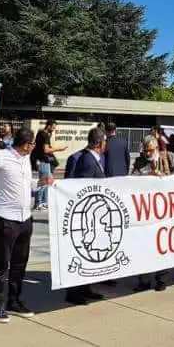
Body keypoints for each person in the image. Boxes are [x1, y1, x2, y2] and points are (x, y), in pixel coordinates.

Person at [0, 129, 51, 323]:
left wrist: (40, 182)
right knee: (1, 265)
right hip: (6, 218)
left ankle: (13, 300)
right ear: (27, 144)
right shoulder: (1, 157)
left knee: (19, 263)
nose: (34, 148)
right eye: (33, 144)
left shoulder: (25, 158)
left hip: (25, 218)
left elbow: (25, 183)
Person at [64, 128, 109, 305]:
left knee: (88, 255)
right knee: (81, 252)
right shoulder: (87, 160)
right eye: (105, 142)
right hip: (87, 214)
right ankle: (73, 292)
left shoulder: (97, 158)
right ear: (100, 143)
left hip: (94, 213)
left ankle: (85, 288)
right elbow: (84, 188)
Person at [130, 136, 174, 291]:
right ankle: (144, 281)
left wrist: (165, 178)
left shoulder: (169, 157)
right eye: (145, 150)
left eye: (150, 150)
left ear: (156, 148)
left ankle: (162, 279)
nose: (147, 153)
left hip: (166, 208)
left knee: (164, 244)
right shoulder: (140, 161)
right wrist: (147, 176)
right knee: (145, 246)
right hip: (147, 210)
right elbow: (132, 179)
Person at [32, 120, 66, 209]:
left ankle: (44, 202)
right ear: (49, 126)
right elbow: (46, 150)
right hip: (43, 160)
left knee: (48, 180)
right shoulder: (45, 135)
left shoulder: (40, 133)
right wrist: (59, 149)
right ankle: (38, 203)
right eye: (53, 127)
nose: (54, 129)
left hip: (41, 160)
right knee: (44, 182)